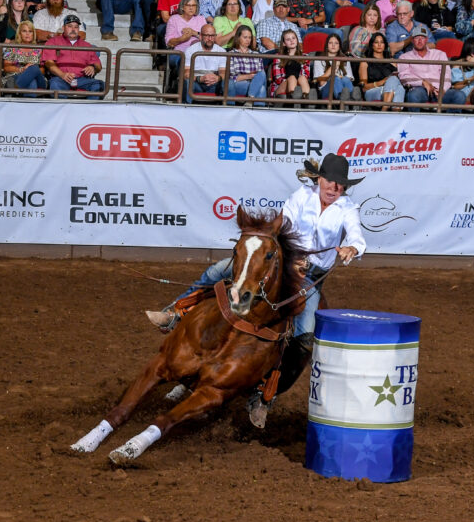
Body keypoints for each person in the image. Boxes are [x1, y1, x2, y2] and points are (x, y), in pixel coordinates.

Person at [145, 153, 367, 428]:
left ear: (345, 188)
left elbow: (356, 235)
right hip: (281, 263)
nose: (334, 188)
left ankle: (264, 396)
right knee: (218, 271)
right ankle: (176, 312)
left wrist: (352, 248)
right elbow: (282, 225)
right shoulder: (302, 196)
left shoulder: (347, 209)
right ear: (319, 179)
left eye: (340, 184)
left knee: (304, 337)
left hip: (309, 278)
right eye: (330, 181)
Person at [397, 24, 464, 110]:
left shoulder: (440, 54)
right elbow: (404, 77)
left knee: (460, 96)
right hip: (420, 89)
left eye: (423, 38)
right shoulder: (404, 57)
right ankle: (414, 122)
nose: (420, 41)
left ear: (427, 40)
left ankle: (449, 121)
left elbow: (447, 75)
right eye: (417, 38)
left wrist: (442, 89)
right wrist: (422, 82)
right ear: (412, 40)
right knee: (413, 95)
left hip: (439, 89)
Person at [43, 13, 104, 93]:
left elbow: (98, 66)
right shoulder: (53, 41)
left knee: (100, 85)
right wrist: (62, 75)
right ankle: (63, 106)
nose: (73, 29)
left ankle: (87, 106)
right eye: (70, 26)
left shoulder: (87, 45)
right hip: (60, 78)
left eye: (76, 27)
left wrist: (93, 68)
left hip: (82, 79)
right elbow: (48, 63)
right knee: (55, 85)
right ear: (63, 28)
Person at [359, 32, 403, 109]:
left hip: (390, 90)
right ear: (372, 45)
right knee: (397, 87)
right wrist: (381, 82)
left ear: (385, 45)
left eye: (382, 42)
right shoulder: (365, 62)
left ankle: (388, 112)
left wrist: (388, 83)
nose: (379, 45)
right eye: (376, 42)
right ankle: (389, 112)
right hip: (372, 91)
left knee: (399, 88)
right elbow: (364, 87)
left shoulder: (392, 62)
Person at [182, 23, 225, 101]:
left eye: (212, 36)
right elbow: (186, 74)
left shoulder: (221, 51)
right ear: (201, 36)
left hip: (214, 84)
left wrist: (217, 78)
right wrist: (200, 79)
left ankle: (228, 109)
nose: (210, 39)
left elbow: (224, 73)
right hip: (197, 82)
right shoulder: (190, 50)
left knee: (228, 83)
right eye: (207, 36)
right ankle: (185, 107)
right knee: (188, 82)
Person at [2, 20, 47, 93]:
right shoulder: (11, 47)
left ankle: (17, 88)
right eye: (24, 31)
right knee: (32, 84)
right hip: (16, 75)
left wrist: (30, 70)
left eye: (30, 31)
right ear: (19, 33)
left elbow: (43, 70)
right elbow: (7, 68)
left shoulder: (39, 49)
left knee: (33, 68)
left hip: (39, 79)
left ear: (33, 34)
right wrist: (22, 69)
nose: (27, 34)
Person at [227, 24, 267, 104]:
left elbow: (260, 76)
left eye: (249, 37)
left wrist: (244, 76)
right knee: (261, 88)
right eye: (245, 37)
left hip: (254, 83)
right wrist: (249, 76)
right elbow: (231, 78)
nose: (248, 40)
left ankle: (250, 98)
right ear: (238, 38)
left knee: (262, 77)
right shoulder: (231, 54)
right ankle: (253, 103)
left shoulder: (256, 54)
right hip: (238, 85)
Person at [312, 32, 356, 102]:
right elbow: (321, 83)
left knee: (345, 79)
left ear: (339, 46)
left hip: (344, 86)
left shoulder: (345, 59)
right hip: (325, 90)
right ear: (327, 45)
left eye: (336, 43)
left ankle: (351, 99)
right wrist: (333, 67)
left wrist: (340, 76)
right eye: (330, 43)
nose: (333, 45)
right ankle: (342, 99)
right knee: (335, 79)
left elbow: (349, 79)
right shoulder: (319, 60)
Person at [269, 28, 309, 102]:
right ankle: (293, 98)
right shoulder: (278, 57)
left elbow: (306, 74)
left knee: (303, 78)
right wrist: (291, 80)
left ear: (297, 40)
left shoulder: (305, 57)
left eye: (293, 38)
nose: (291, 41)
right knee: (292, 78)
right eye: (288, 39)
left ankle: (306, 98)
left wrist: (296, 82)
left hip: (299, 86)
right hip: (281, 87)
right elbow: (278, 79)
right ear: (284, 43)